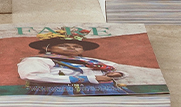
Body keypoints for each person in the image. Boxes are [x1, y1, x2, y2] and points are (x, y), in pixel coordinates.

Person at [16, 34, 158, 96]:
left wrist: (117, 74)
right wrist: (86, 79)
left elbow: (119, 69)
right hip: (62, 91)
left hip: (105, 90)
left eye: (76, 46)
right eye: (64, 45)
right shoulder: (39, 60)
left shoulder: (91, 61)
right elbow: (31, 75)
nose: (71, 48)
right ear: (48, 48)